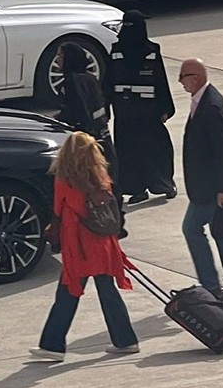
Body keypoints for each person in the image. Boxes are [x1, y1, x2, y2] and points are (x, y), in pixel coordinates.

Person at [29, 132, 140, 362]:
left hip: (79, 244)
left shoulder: (64, 180)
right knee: (107, 291)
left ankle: (53, 344)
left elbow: (59, 210)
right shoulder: (101, 177)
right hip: (103, 243)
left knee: (68, 291)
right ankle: (125, 339)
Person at [177, 58, 223, 301]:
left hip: (210, 187)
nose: (181, 83)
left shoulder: (211, 106)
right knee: (221, 231)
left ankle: (210, 285)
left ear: (195, 78)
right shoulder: (202, 101)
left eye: (183, 78)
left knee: (192, 228)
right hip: (208, 185)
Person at [106, 10, 178, 205]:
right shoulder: (115, 52)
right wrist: (105, 108)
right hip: (125, 113)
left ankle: (164, 184)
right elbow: (108, 81)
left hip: (149, 112)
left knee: (157, 149)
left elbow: (160, 80)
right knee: (128, 153)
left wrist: (166, 108)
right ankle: (136, 189)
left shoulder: (152, 51)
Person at [56, 42, 126, 237]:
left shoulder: (71, 82)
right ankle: (117, 221)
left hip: (88, 142)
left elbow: (77, 112)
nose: (58, 61)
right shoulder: (90, 79)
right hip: (103, 137)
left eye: (60, 56)